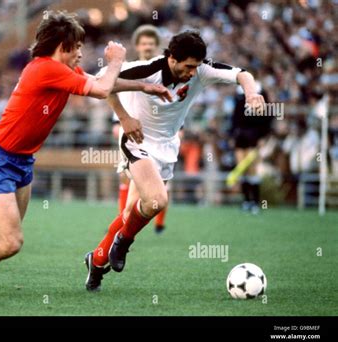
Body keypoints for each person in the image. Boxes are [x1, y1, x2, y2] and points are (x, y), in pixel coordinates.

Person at [0, 11, 172, 298]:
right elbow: (101, 89)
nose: (81, 52)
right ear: (63, 47)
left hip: (21, 160)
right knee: (11, 242)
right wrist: (116, 60)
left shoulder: (62, 70)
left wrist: (143, 86)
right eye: (78, 47)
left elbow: (102, 83)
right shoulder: (46, 68)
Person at [84, 30, 266, 291]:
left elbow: (242, 74)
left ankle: (97, 260)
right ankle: (123, 241)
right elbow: (103, 83)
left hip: (167, 146)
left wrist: (250, 93)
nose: (193, 73)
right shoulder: (146, 69)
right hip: (136, 139)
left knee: (131, 212)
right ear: (171, 58)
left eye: (196, 67)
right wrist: (124, 117)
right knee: (158, 200)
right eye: (188, 66)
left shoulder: (201, 70)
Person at [111, 24, 168, 234]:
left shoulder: (164, 73)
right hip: (131, 135)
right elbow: (110, 89)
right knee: (126, 177)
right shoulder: (130, 69)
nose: (147, 47)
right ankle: (124, 225)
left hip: (159, 137)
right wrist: (118, 123)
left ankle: (158, 224)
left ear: (157, 47)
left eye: (151, 44)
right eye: (144, 43)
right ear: (137, 46)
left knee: (159, 184)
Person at [230, 82, 272, 214]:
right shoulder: (239, 94)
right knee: (243, 169)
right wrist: (232, 135)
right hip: (240, 137)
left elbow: (267, 119)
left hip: (254, 137)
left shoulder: (261, 94)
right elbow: (235, 118)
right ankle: (246, 201)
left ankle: (255, 202)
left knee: (253, 170)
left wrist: (263, 137)